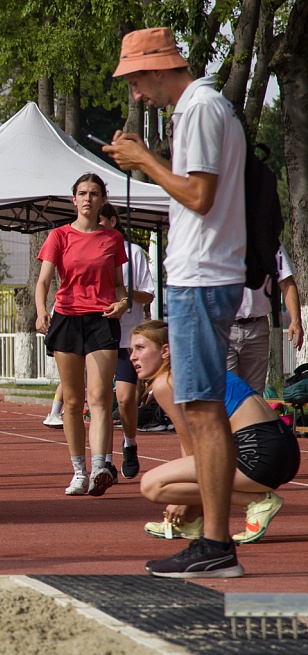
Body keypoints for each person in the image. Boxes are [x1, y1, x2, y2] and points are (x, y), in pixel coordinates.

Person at [105, 27, 249, 577]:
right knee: (199, 408)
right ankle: (213, 540)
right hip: (201, 275)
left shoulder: (201, 109)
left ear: (160, 69)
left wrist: (145, 160)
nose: (137, 94)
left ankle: (216, 543)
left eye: (137, 80)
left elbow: (199, 194)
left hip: (203, 277)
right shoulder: (200, 110)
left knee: (204, 410)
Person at [129, 320, 296, 571]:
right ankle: (194, 521)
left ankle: (256, 500)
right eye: (131, 350)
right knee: (186, 473)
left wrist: (183, 498)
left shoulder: (166, 382)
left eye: (140, 348)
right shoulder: (199, 367)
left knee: (154, 486)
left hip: (257, 455)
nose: (133, 357)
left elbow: (193, 446)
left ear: (165, 351)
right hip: (282, 449)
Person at [35, 173, 130, 496]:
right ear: (73, 200)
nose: (88, 198)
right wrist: (41, 310)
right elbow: (43, 281)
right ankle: (79, 471)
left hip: (102, 320)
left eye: (94, 193)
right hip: (67, 319)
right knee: (73, 401)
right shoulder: (59, 236)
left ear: (103, 199)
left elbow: (119, 285)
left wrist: (122, 302)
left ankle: (100, 466)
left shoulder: (113, 239)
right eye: (82, 193)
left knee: (100, 397)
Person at [100, 204, 155, 480]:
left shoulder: (133, 253)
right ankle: (105, 460)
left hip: (126, 337)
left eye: (100, 221)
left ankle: (130, 444)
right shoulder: (88, 248)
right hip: (98, 334)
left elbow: (148, 295)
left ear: (113, 221)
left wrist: (124, 294)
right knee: (100, 399)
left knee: (124, 399)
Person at [229, 246, 303, 395]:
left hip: (256, 329)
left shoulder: (269, 241)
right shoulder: (219, 237)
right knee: (226, 394)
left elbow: (286, 283)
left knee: (253, 395)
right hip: (223, 328)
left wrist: (295, 320)